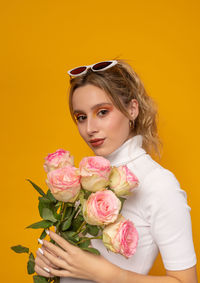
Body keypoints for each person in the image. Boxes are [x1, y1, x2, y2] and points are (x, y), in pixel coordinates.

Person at [34, 60, 197, 282]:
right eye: (81, 117)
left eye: (102, 112)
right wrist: (52, 262)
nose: (90, 128)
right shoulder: (85, 177)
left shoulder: (159, 183)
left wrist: (108, 274)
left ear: (132, 109)